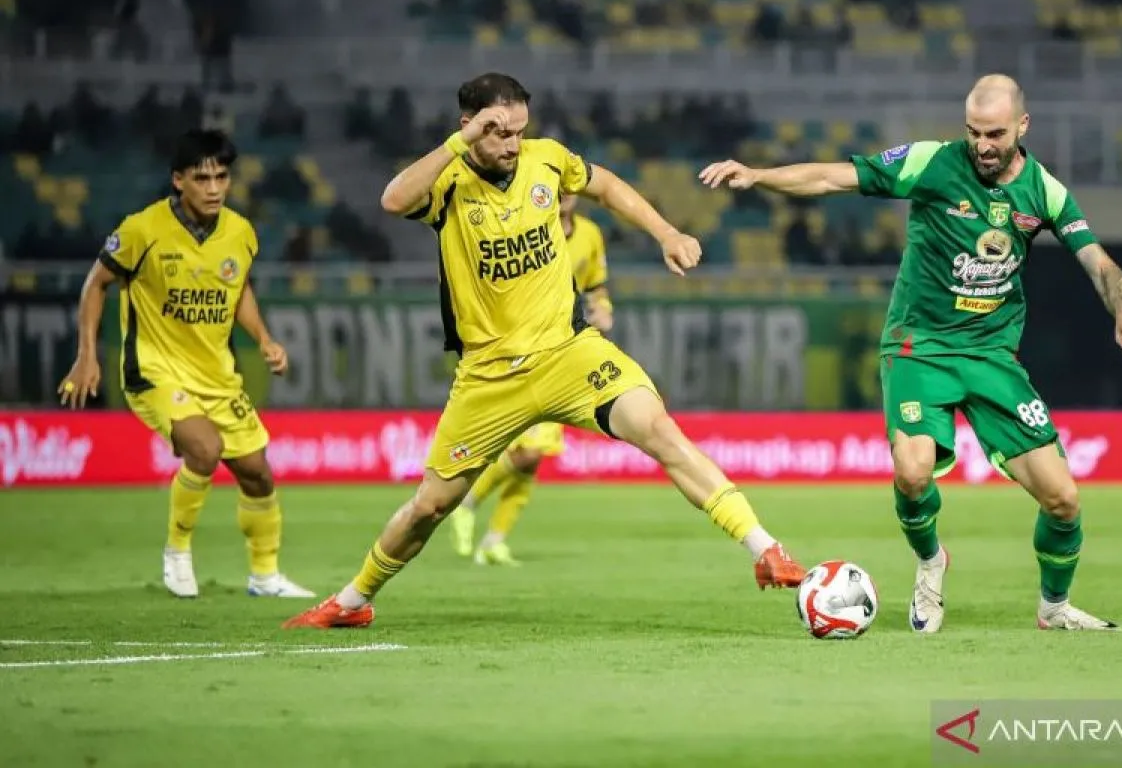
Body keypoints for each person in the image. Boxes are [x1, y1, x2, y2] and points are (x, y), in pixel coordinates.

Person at [283, 73, 805, 629]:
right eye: (499, 132)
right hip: (489, 377)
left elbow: (607, 185)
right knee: (430, 506)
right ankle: (352, 601)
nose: (513, 144)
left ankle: (766, 549)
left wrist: (666, 233)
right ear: (469, 126)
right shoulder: (450, 179)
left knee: (657, 429)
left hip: (567, 354)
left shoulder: (547, 160)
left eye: (520, 131)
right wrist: (459, 144)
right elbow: (392, 199)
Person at [699, 74, 1122, 633]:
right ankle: (931, 561)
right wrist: (758, 175)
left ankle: (1054, 607)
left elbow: (1098, 261)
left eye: (994, 134)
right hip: (918, 347)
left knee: (1063, 499)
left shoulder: (1045, 192)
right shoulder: (931, 163)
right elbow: (832, 177)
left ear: (1022, 126)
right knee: (913, 473)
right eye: (973, 132)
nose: (982, 145)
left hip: (991, 355)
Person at [57, 129, 314, 601]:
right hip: (154, 370)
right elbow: (96, 284)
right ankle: (177, 552)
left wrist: (264, 338)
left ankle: (264, 576)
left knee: (257, 473)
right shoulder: (142, 230)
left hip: (216, 375)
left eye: (222, 177)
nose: (214, 188)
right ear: (178, 180)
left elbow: (238, 289)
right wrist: (86, 355)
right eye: (202, 178)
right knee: (204, 448)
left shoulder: (240, 232)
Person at [446, 192, 614, 566]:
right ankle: (467, 502)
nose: (565, 192)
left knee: (533, 457)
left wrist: (603, 309)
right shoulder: (526, 229)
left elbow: (596, 286)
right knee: (527, 453)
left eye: (571, 186)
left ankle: (493, 541)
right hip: (517, 352)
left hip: (564, 353)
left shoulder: (590, 234)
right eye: (559, 186)